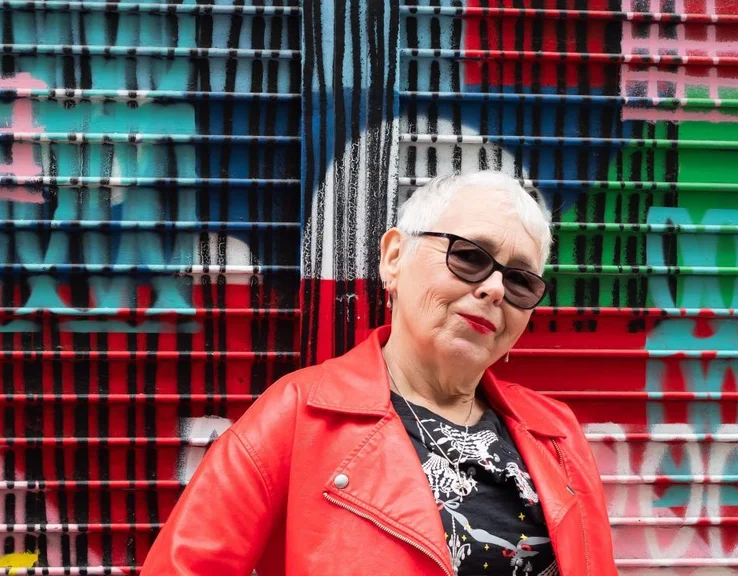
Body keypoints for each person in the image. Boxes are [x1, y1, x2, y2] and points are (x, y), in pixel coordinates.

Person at [140, 171, 617, 575]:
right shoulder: (299, 414)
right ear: (394, 259)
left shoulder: (556, 434)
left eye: (520, 280)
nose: (494, 289)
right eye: (470, 257)